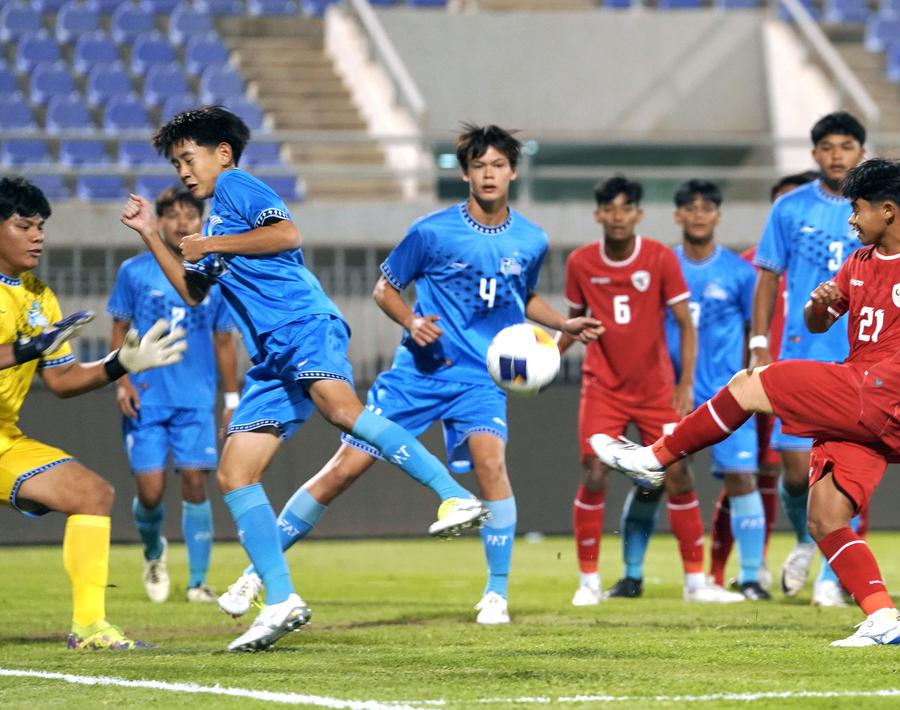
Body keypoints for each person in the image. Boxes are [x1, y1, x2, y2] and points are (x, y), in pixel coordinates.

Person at [593, 159, 900, 646]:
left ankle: (655, 457)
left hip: (878, 396)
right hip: (866, 407)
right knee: (825, 518)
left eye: (858, 210)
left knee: (750, 383)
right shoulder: (859, 262)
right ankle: (885, 619)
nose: (851, 220)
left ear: (888, 211)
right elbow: (818, 322)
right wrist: (817, 306)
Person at [123, 106, 490, 652]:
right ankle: (280, 599)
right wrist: (153, 234)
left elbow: (287, 232)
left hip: (302, 323)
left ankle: (452, 495)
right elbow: (192, 292)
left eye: (188, 156)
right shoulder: (215, 220)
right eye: (176, 162)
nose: (183, 170)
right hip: (271, 357)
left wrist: (212, 245)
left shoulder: (237, 187)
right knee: (234, 473)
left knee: (342, 411)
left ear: (221, 153)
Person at [214, 124, 602, 626]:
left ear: (512, 171)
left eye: (498, 166)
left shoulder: (532, 239)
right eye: (479, 165)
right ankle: (255, 573)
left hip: (481, 378)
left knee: (492, 466)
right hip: (416, 375)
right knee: (341, 472)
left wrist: (560, 322)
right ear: (465, 172)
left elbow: (520, 296)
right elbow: (385, 288)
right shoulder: (431, 231)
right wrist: (412, 321)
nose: (488, 174)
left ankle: (496, 594)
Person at [0, 176, 186, 649]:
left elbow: (61, 381)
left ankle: (89, 628)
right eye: (25, 225)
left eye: (41, 225)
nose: (38, 235)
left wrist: (118, 363)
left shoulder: (39, 297)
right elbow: (20, 352)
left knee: (92, 494)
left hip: (4, 439)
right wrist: (25, 348)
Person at [563, 176, 742, 606]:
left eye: (627, 208)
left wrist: (684, 384)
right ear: (599, 214)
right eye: (611, 208)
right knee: (594, 471)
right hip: (603, 386)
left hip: (655, 388)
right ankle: (588, 581)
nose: (619, 216)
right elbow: (572, 321)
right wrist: (546, 356)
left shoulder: (660, 258)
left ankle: (696, 582)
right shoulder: (580, 262)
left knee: (677, 474)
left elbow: (684, 321)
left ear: (639, 215)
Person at [618, 179, 770, 601]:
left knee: (742, 478)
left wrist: (751, 379)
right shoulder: (661, 265)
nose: (699, 214)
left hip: (726, 395)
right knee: (654, 478)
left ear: (718, 215)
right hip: (669, 393)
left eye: (707, 207)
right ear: (678, 215)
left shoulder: (740, 273)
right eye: (691, 207)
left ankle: (752, 578)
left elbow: (754, 330)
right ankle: (631, 575)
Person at [750, 113, 867, 604]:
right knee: (797, 474)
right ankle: (804, 538)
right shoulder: (789, 208)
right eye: (827, 147)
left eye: (846, 146)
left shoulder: (880, 208)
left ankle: (830, 578)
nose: (837, 155)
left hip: (859, 358)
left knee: (846, 473)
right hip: (802, 353)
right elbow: (768, 276)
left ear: (861, 151)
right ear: (815, 153)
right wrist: (759, 342)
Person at [107, 186, 239, 604]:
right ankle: (153, 552)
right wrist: (122, 381)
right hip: (146, 395)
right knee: (150, 492)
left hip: (196, 398)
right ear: (159, 221)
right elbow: (119, 328)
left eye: (191, 215)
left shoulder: (213, 277)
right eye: (173, 215)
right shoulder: (134, 271)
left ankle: (198, 581)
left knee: (197, 485)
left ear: (201, 222)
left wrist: (232, 400)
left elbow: (224, 342)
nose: (183, 222)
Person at [711, 170, 817, 593]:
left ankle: (814, 551)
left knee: (803, 476)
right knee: (743, 476)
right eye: (782, 205)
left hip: (805, 382)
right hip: (754, 383)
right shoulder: (751, 265)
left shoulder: (830, 261)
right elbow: (726, 324)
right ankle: (734, 571)